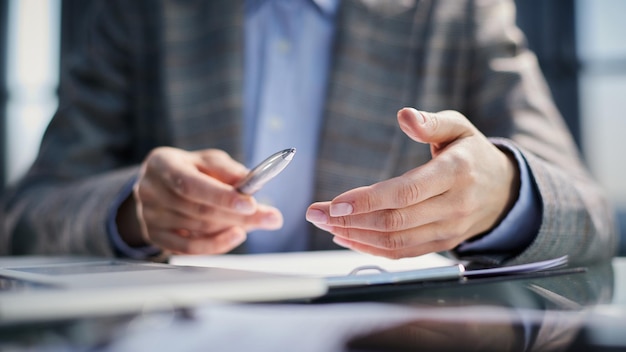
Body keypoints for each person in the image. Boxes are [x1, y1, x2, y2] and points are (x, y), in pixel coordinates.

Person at [0, 0, 618, 266]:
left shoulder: (455, 11)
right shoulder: (141, 12)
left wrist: (502, 193)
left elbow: (589, 213)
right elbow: (25, 214)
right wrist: (133, 213)